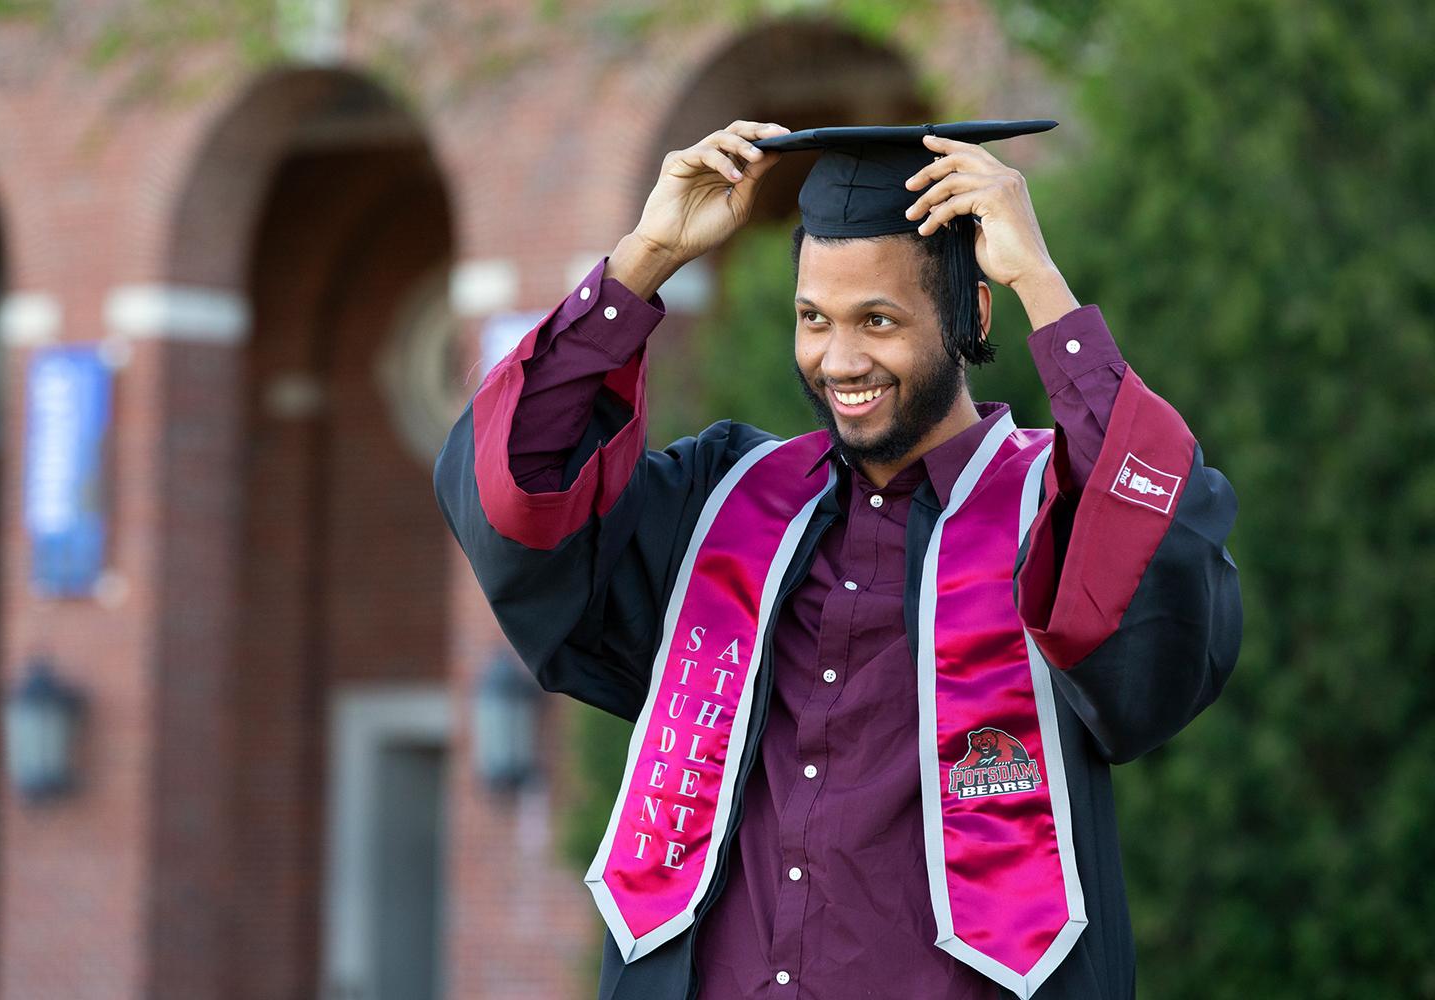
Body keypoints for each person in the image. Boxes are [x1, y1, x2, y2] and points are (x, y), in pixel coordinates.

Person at [434, 118, 1241, 1000]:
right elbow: (519, 494)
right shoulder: (721, 504)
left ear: (970, 315)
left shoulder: (1051, 512)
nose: (840, 358)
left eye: (879, 320)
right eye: (813, 319)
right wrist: (645, 259)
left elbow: (1159, 559)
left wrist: (1044, 289)